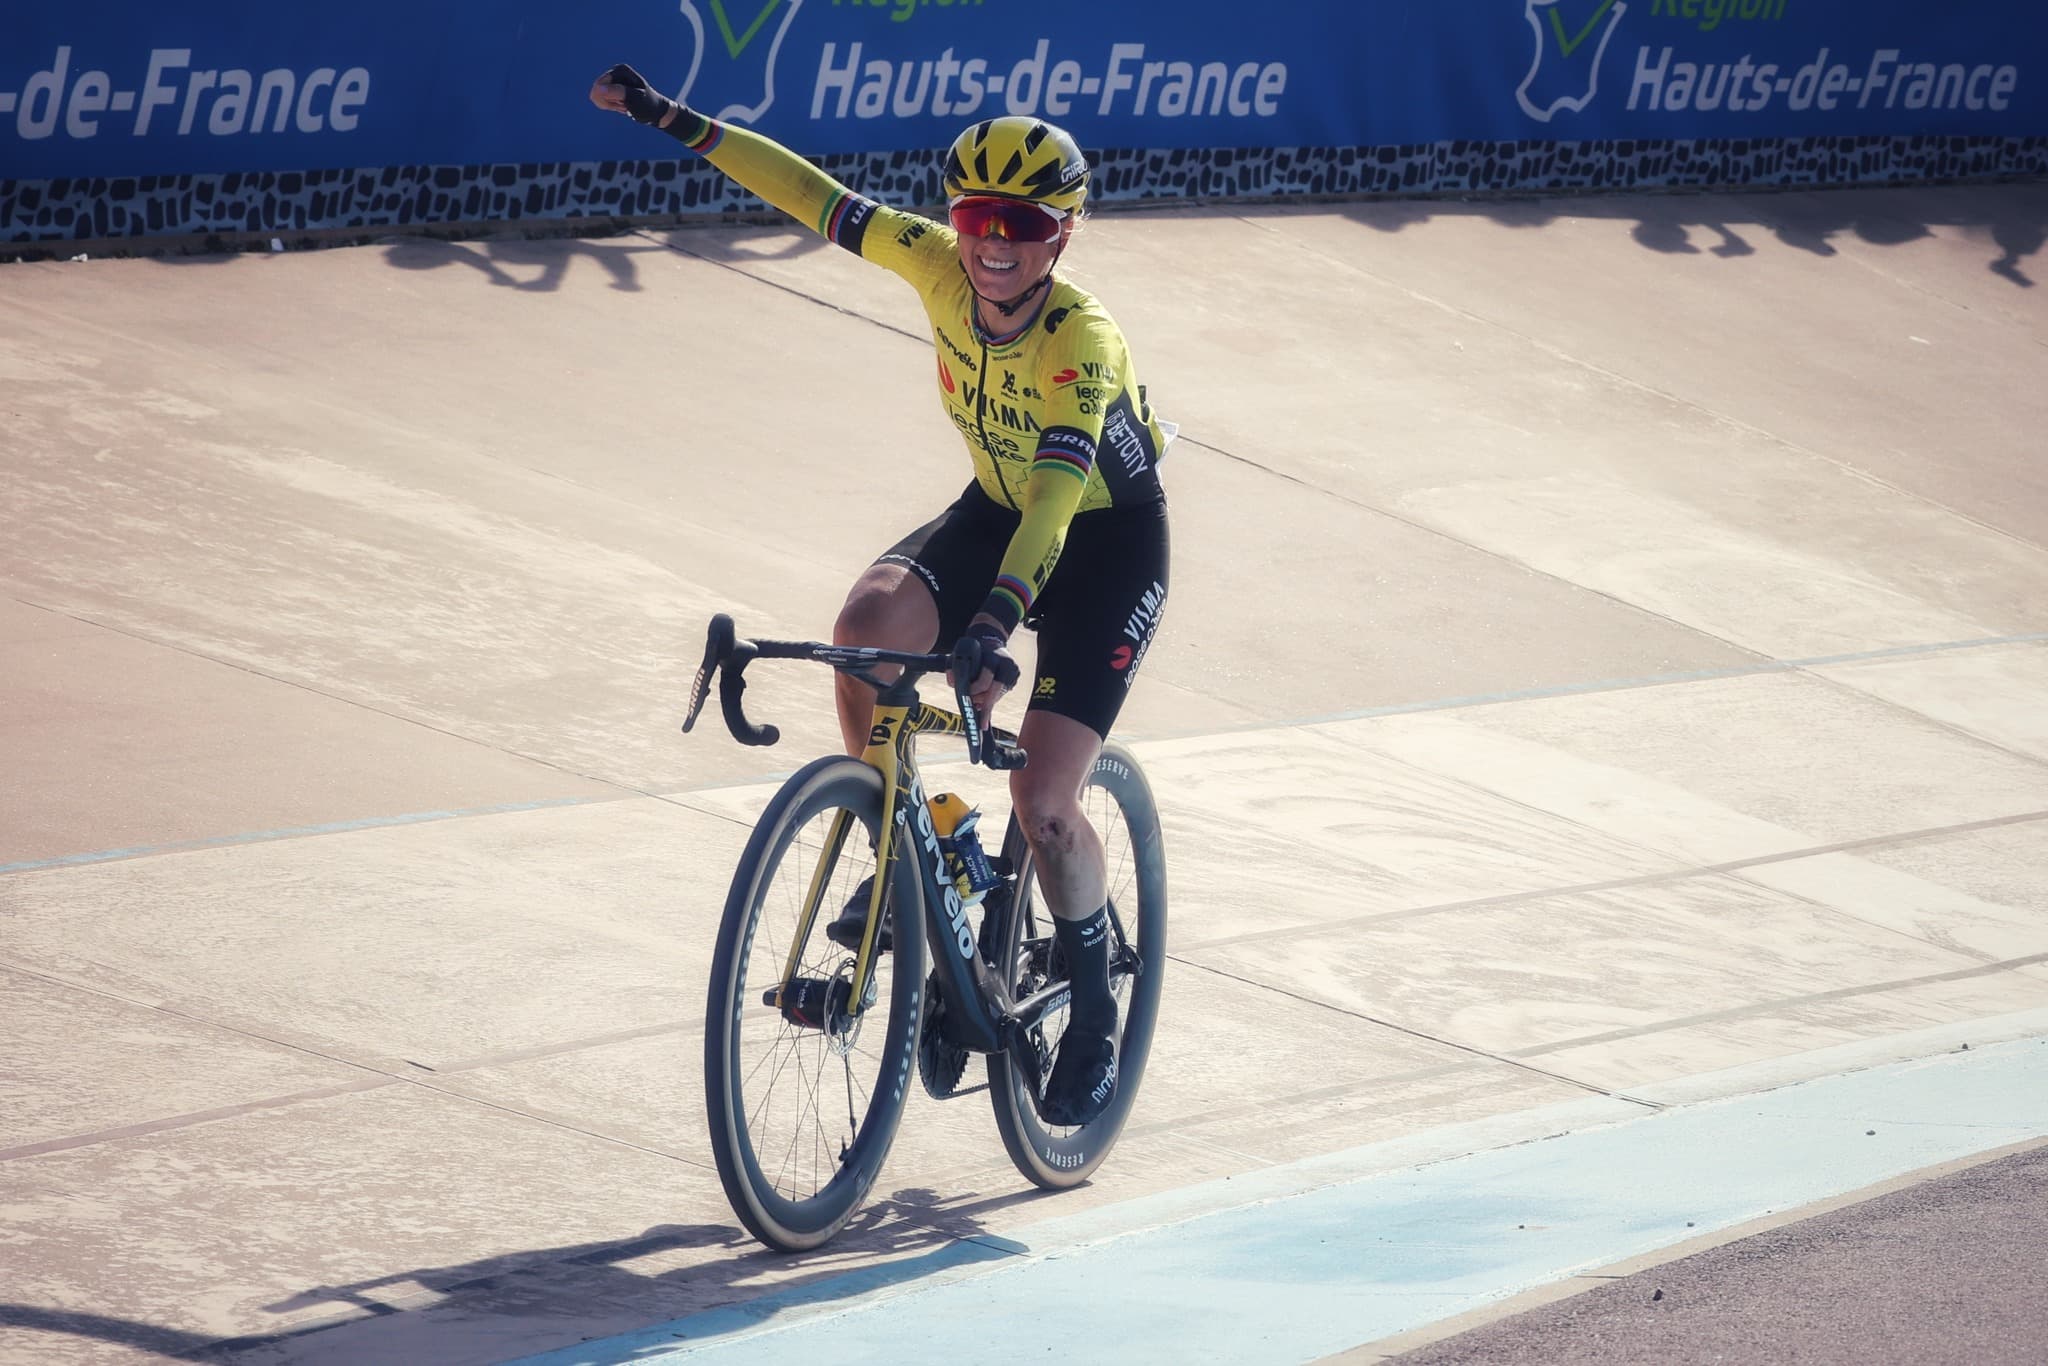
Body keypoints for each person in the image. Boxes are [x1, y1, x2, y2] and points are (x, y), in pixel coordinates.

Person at [592, 64, 1171, 1127]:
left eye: (1020, 220)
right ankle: (908, 836)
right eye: (973, 215)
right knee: (863, 636)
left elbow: (1053, 506)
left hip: (1099, 540)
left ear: (1063, 234)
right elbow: (809, 195)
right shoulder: (936, 265)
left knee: (1042, 803)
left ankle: (1092, 1002)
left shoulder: (1081, 343)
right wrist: (675, 120)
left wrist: (996, 624)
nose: (991, 239)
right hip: (995, 507)